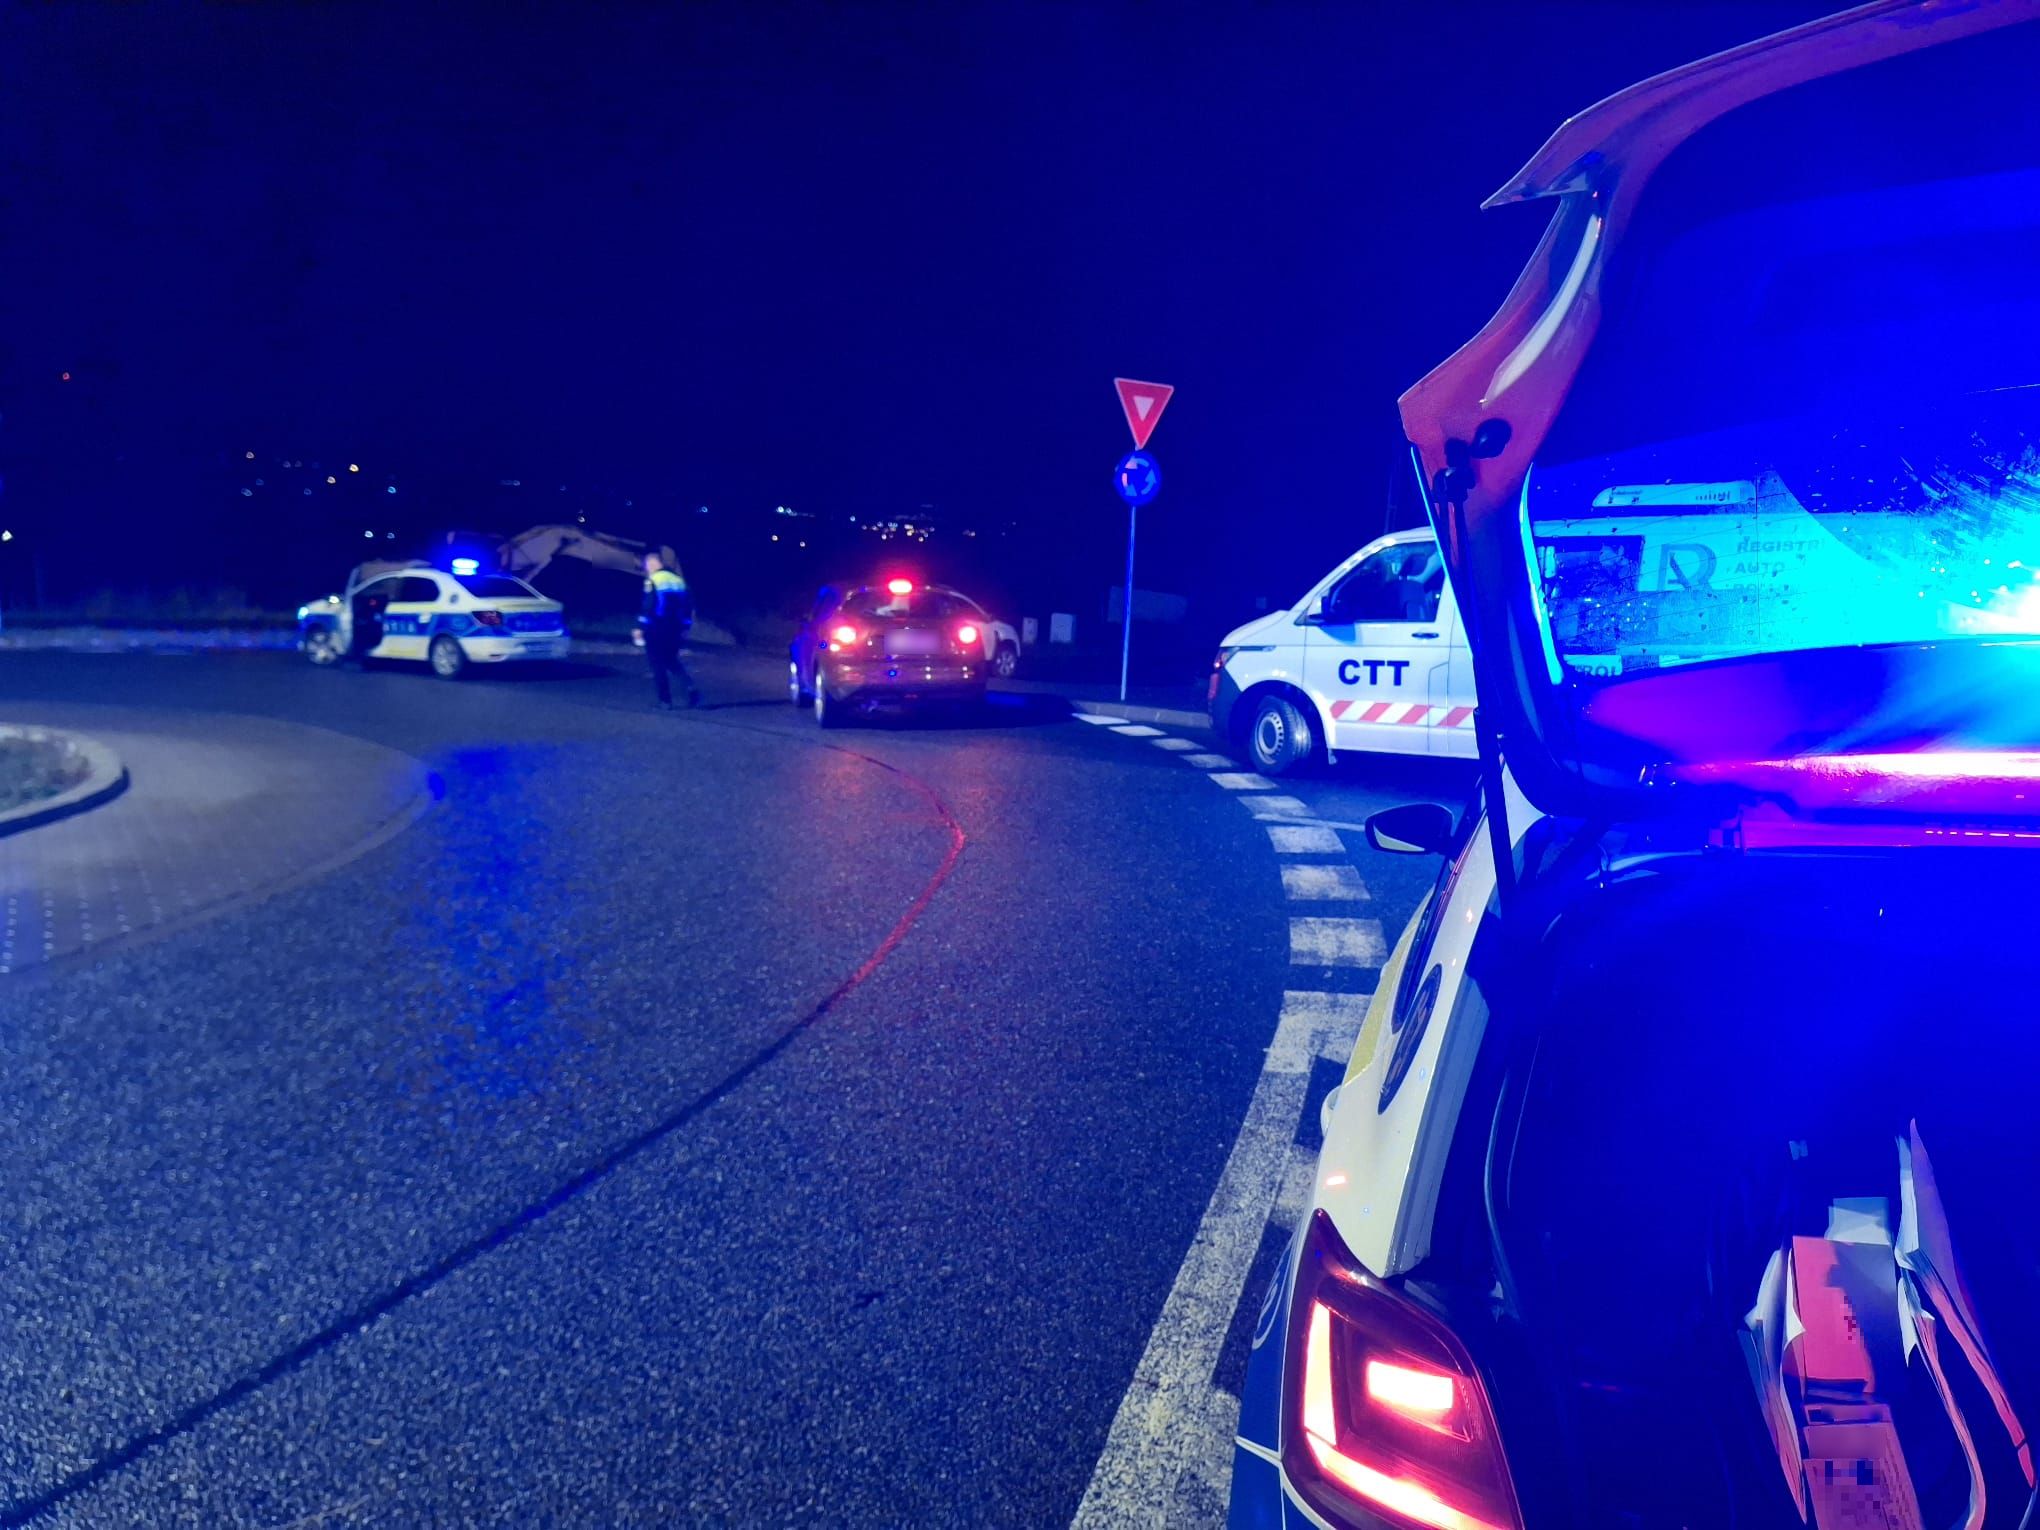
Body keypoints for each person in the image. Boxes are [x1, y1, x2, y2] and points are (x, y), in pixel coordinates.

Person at [635, 548, 699, 708]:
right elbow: (688, 606)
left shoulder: (653, 580)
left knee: (657, 663)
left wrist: (640, 626)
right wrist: (685, 626)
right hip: (675, 627)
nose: (647, 569)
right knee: (671, 660)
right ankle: (690, 687)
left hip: (656, 626)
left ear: (653, 564)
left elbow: (649, 605)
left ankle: (665, 700)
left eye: (647, 566)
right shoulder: (678, 580)